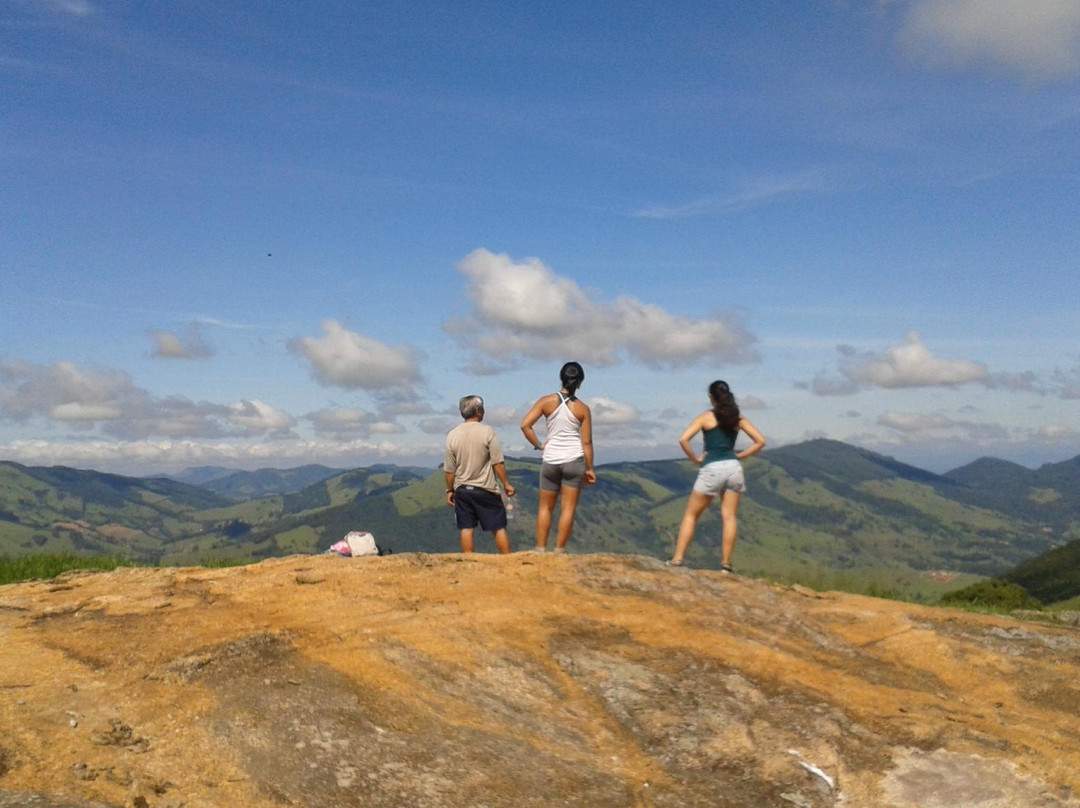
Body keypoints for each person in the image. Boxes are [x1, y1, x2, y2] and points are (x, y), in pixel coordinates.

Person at [668, 380, 766, 573]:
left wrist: (695, 459)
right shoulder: (738, 418)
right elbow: (760, 441)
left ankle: (678, 559)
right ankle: (726, 564)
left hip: (712, 467)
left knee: (691, 515)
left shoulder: (706, 417)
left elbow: (683, 439)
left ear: (711, 398)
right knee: (729, 516)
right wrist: (741, 455)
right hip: (733, 467)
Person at [520, 361, 596, 553]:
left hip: (551, 460)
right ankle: (559, 550)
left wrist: (538, 445)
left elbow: (525, 425)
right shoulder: (583, 409)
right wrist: (590, 468)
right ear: (579, 382)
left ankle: (540, 548)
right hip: (574, 460)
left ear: (561, 378)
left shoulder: (546, 402)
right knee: (568, 509)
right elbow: (586, 443)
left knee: (545, 508)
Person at [445, 395, 515, 554]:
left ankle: (469, 563)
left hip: (462, 489)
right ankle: (508, 561)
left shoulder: (452, 435)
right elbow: (497, 462)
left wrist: (449, 490)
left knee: (466, 528)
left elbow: (449, 470)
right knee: (498, 527)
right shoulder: (487, 431)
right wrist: (506, 484)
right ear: (478, 411)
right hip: (485, 488)